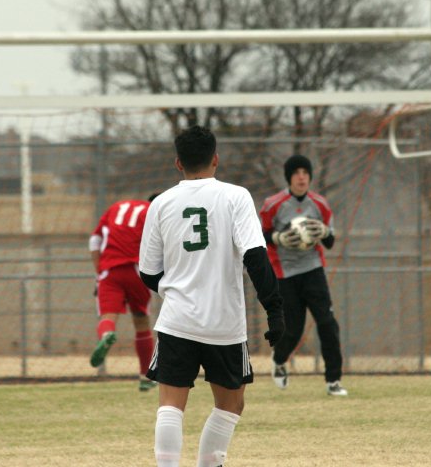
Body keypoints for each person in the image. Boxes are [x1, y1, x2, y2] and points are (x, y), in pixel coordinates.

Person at [138, 125, 285, 467]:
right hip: (224, 324)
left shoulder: (160, 203)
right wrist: (275, 310)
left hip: (177, 322)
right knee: (230, 406)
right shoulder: (236, 196)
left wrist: (173, 290)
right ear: (216, 159)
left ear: (178, 163)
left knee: (171, 406)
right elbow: (256, 257)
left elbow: (148, 271)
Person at [260, 154, 347, 396]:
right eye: (297, 173)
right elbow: (261, 234)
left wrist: (323, 232)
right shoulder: (273, 204)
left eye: (305, 173)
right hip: (285, 273)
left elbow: (330, 241)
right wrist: (277, 237)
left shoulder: (320, 204)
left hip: (312, 270)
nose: (301, 177)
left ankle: (333, 381)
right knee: (293, 330)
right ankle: (279, 360)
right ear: (289, 177)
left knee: (328, 324)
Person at [88, 195, 158, 392]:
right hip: (137, 270)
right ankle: (145, 376)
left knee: (108, 316)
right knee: (142, 322)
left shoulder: (116, 206)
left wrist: (99, 270)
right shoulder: (151, 212)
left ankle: (108, 334)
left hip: (109, 270)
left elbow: (94, 240)